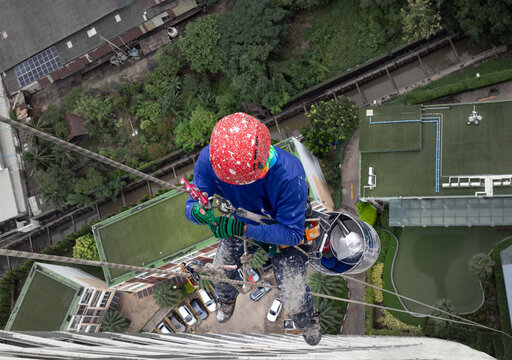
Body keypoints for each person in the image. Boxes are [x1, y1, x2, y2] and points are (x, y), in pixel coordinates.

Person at [184, 112, 322, 346]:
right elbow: (192, 204)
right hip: (241, 223)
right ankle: (226, 298)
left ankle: (305, 319)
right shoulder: (212, 161)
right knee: (220, 271)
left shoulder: (289, 176)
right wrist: (196, 211)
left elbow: (292, 234)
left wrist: (242, 228)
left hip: (279, 230)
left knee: (293, 297)